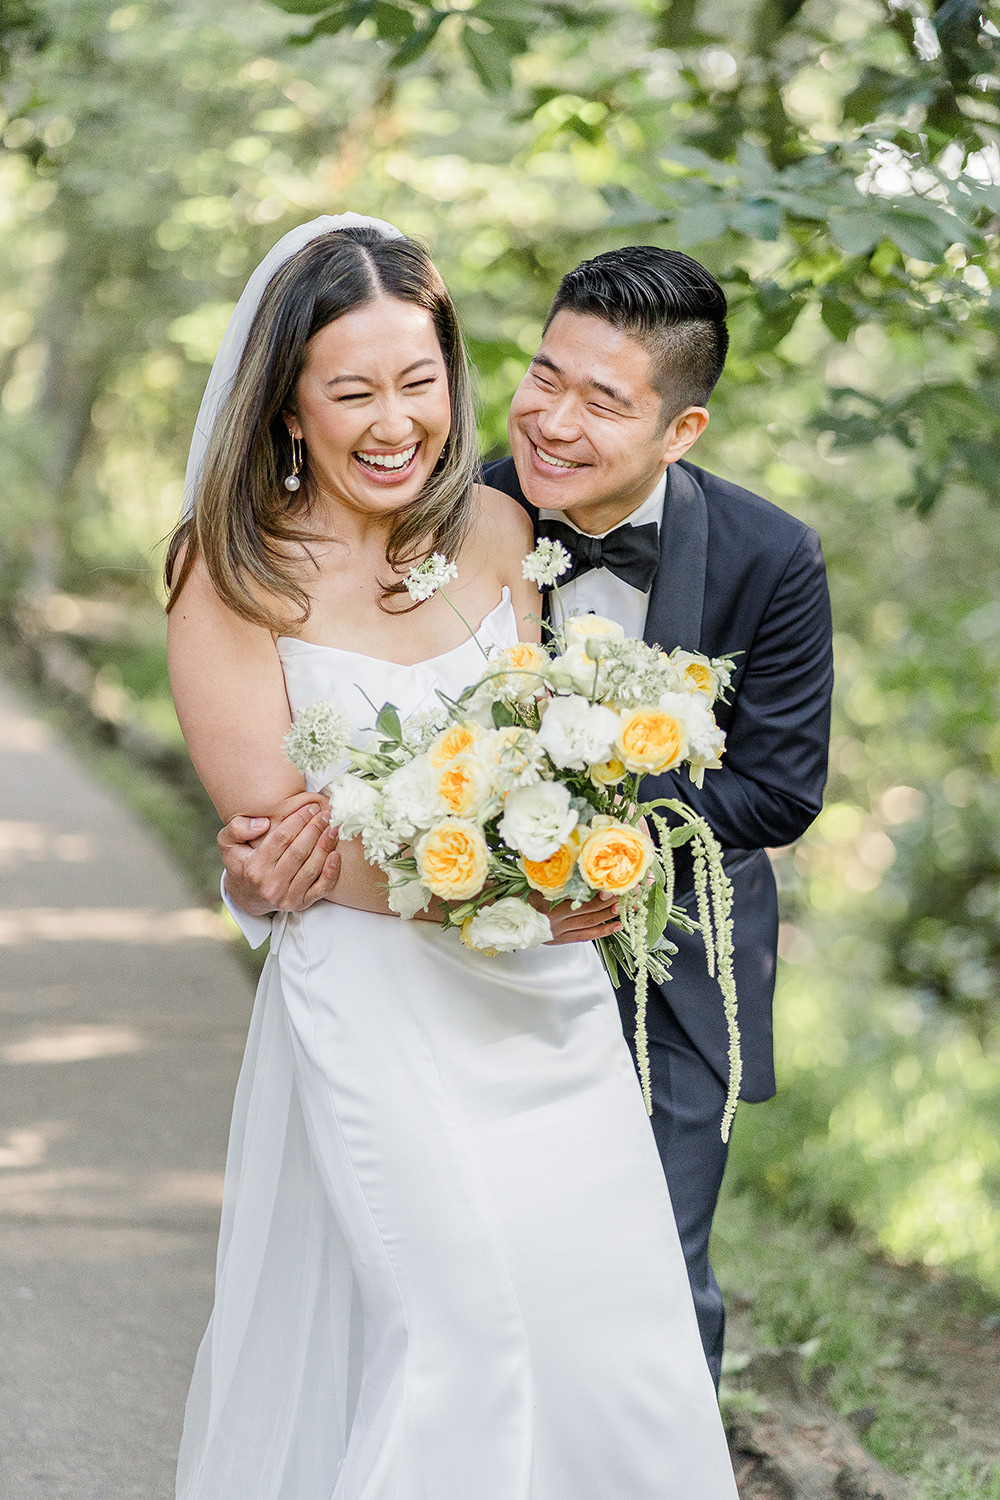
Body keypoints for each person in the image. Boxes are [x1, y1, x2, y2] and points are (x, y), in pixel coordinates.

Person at [167, 214, 738, 1498]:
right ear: (286, 406)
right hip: (371, 1002)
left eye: (418, 382)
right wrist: (501, 890)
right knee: (464, 1328)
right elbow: (277, 842)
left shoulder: (491, 532)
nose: (393, 421)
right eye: (351, 390)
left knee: (610, 1327)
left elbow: (534, 759)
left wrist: (581, 862)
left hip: (542, 1002)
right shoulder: (232, 568)